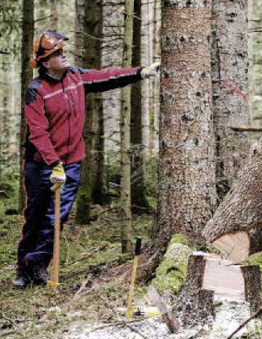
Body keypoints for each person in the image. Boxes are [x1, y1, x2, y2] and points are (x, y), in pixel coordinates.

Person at [12, 29, 160, 289]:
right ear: (46, 62)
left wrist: (141, 72)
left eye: (63, 50)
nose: (64, 55)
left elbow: (107, 76)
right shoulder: (36, 90)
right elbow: (37, 132)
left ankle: (38, 264)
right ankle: (23, 270)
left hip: (71, 162)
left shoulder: (76, 78)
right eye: (57, 53)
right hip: (41, 164)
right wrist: (53, 163)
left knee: (57, 217)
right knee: (35, 215)